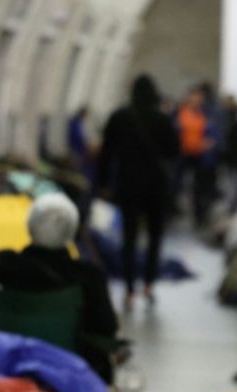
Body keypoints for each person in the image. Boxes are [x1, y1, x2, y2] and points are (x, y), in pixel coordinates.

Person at [0, 193, 120, 383]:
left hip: (4, 374)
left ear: (29, 227)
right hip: (68, 378)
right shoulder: (88, 277)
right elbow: (106, 329)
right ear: (72, 230)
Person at [98, 74, 179, 309]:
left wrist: (104, 184)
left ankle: (129, 288)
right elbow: (173, 151)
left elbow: (106, 154)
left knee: (129, 236)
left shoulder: (119, 117)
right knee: (155, 236)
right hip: (155, 185)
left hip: (128, 183)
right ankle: (149, 284)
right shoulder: (162, 119)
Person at [175, 85, 217, 229]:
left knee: (199, 189)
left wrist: (209, 142)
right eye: (194, 97)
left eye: (199, 98)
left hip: (200, 155)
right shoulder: (181, 113)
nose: (196, 100)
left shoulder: (205, 115)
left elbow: (211, 133)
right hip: (182, 154)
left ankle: (198, 215)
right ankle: (174, 209)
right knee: (178, 184)